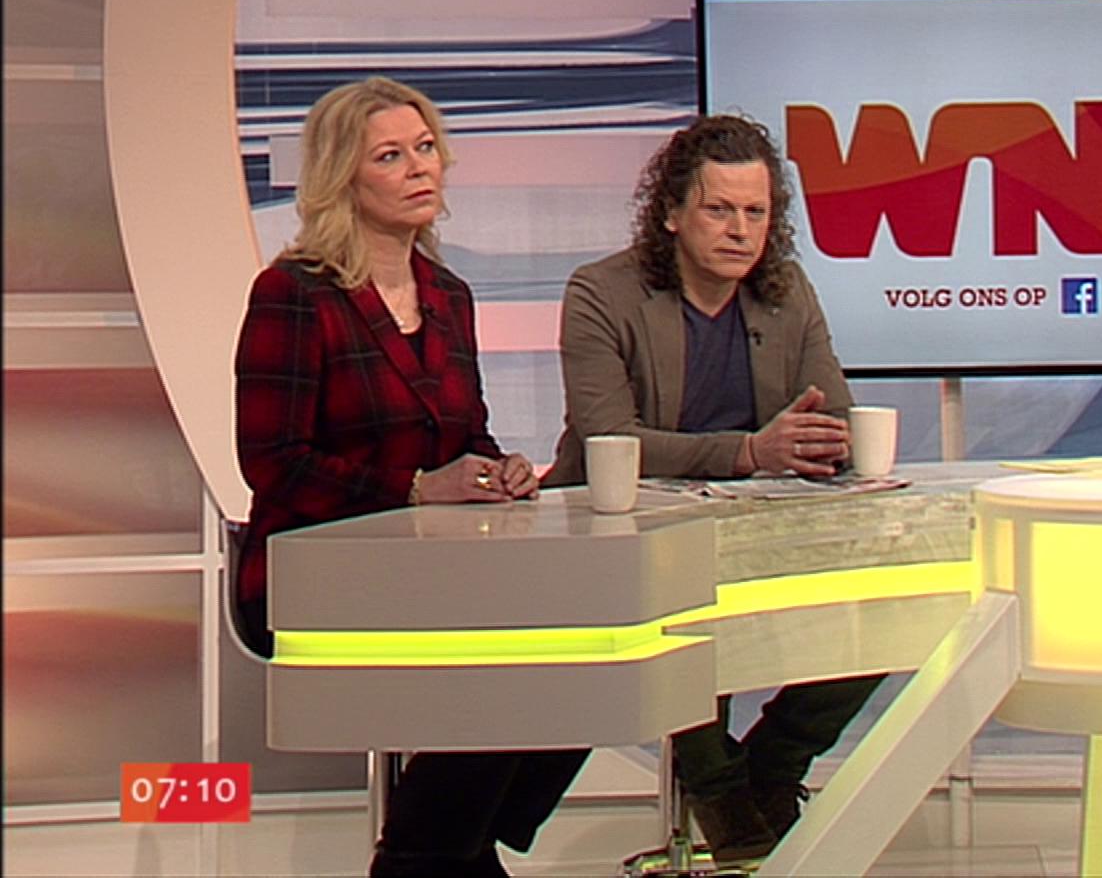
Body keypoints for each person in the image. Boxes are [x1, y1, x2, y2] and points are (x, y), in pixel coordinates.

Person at [234, 77, 589, 876]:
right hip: (315, 573)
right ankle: (431, 855)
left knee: (593, 639)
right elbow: (272, 462)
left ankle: (449, 848)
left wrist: (500, 468)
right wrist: (418, 489)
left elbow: (465, 434)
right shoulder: (294, 294)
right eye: (390, 156)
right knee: (513, 666)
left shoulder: (449, 295)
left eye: (425, 148)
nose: (420, 167)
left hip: (436, 570)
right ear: (342, 178)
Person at [543, 113, 881, 864]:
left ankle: (771, 768)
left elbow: (833, 411)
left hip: (754, 536)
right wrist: (751, 451)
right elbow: (609, 439)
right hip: (627, 545)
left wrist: (827, 440)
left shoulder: (786, 292)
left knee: (890, 600)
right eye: (719, 209)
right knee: (680, 612)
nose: (740, 230)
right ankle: (724, 798)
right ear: (671, 212)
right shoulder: (602, 292)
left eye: (755, 212)